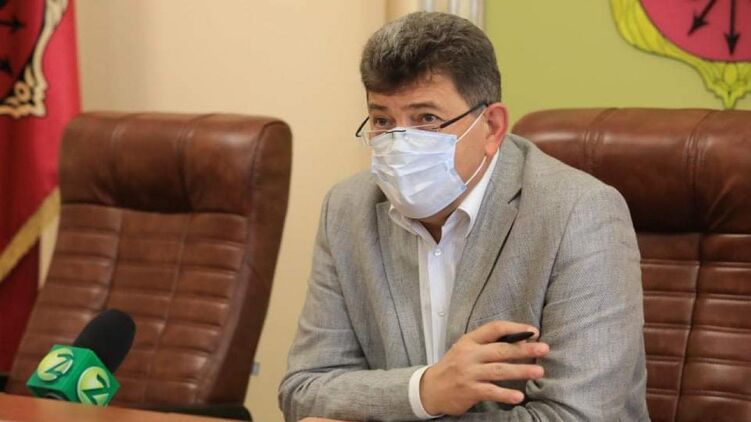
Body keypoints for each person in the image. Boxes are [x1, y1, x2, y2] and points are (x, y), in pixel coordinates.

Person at [279, 11, 648, 421]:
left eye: (427, 119)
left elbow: (576, 417)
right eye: (383, 120)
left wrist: (399, 405)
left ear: (491, 126)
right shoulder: (347, 209)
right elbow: (304, 390)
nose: (399, 142)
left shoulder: (578, 213)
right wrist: (424, 391)